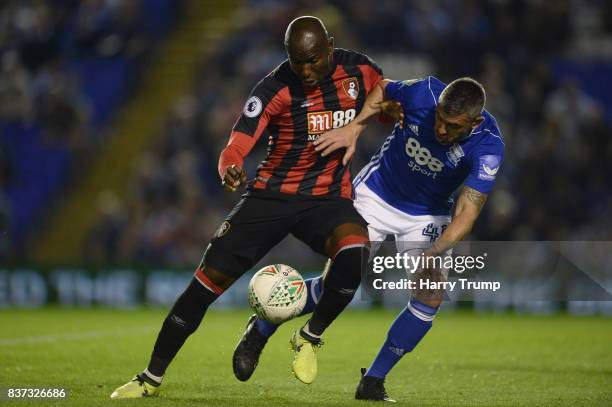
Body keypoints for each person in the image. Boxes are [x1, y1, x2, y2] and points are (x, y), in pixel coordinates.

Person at [110, 16, 383, 398]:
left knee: (354, 253)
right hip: (271, 197)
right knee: (203, 287)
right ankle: (150, 378)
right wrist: (230, 169)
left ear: (330, 46)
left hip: (328, 199)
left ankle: (308, 337)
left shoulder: (361, 71)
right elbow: (236, 146)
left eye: (314, 59)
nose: (306, 69)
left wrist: (364, 124)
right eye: (297, 60)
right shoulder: (274, 88)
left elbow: (386, 98)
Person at [234, 76, 504, 402]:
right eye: (439, 120)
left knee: (430, 296)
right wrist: (358, 125)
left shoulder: (489, 145)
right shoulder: (423, 93)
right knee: (339, 282)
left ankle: (373, 381)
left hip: (428, 214)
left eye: (454, 126)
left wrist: (434, 252)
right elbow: (381, 87)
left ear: (474, 122)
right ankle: (261, 328)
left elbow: (467, 214)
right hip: (375, 195)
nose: (442, 131)